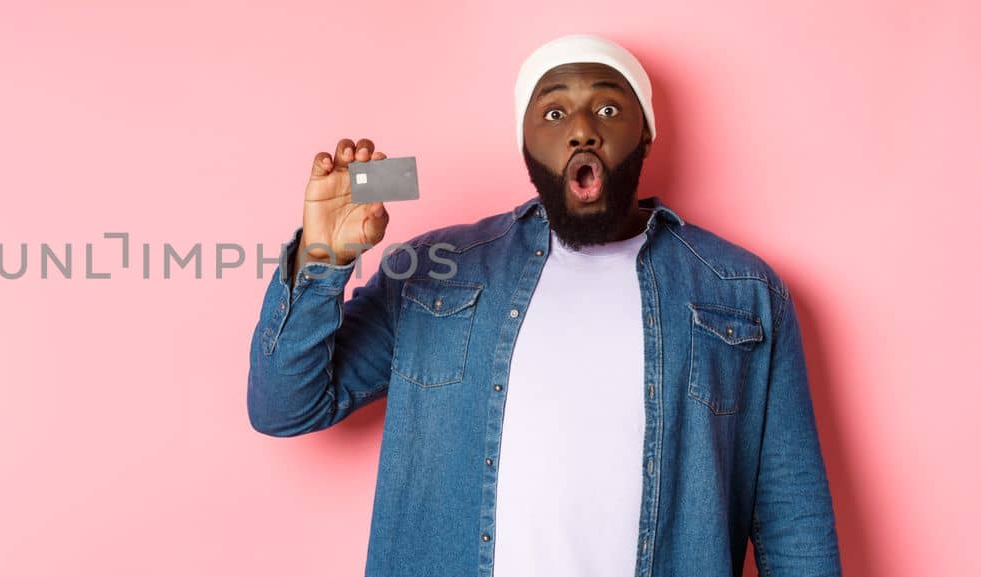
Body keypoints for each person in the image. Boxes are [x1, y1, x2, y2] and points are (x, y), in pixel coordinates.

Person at [246, 34, 843, 576]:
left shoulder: (742, 292)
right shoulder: (434, 273)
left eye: (608, 109)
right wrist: (322, 259)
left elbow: (793, 520)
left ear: (647, 132)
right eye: (553, 113)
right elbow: (284, 405)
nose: (582, 129)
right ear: (525, 144)